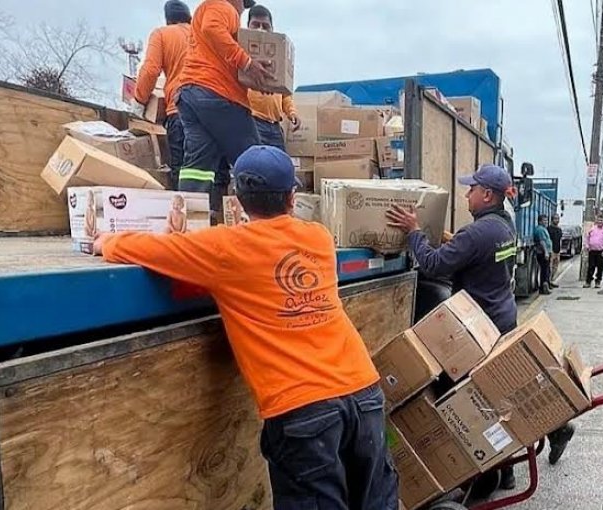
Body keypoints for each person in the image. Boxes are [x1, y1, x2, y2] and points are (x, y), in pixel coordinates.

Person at [92, 145, 398, 510]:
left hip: (303, 410)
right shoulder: (317, 237)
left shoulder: (224, 248)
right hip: (363, 393)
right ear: (292, 196)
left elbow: (146, 249)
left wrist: (104, 240)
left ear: (236, 195)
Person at [386, 163, 575, 492]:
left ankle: (481, 474)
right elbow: (474, 252)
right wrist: (451, 240)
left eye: (471, 189)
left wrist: (414, 232)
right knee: (499, 397)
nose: (466, 194)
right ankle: (511, 469)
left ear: (487, 194)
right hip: (501, 316)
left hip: (476, 327)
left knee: (470, 402)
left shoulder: (479, 232)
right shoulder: (504, 226)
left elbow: (433, 265)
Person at [176, 0, 274, 222]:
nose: (242, 11)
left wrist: (257, 80)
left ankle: (189, 223)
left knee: (197, 165)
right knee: (254, 158)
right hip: (218, 95)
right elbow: (212, 28)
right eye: (244, 6)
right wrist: (246, 62)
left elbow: (218, 59)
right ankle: (266, 223)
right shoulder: (224, 7)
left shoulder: (207, 8)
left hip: (191, 93)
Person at [132, 1, 192, 191]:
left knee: (182, 171)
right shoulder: (202, 36)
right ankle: (217, 212)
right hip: (213, 112)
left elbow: (150, 71)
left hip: (180, 110)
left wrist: (139, 101)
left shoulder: (162, 34)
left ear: (168, 20)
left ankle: (186, 217)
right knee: (211, 171)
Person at [245, 5, 301, 149]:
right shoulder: (241, 53)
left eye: (265, 26)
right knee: (258, 165)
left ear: (272, 29)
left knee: (279, 166)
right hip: (252, 121)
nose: (261, 30)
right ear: (247, 26)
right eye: (256, 25)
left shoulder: (278, 57)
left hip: (275, 126)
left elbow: (285, 93)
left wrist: (292, 113)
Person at [584, 214, 603, 288]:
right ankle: (588, 282)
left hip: (602, 252)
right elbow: (587, 237)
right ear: (596, 221)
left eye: (601, 220)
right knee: (591, 267)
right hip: (592, 251)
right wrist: (587, 246)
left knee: (600, 267)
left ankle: (598, 281)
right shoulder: (592, 228)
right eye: (598, 220)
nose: (600, 221)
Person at [533, 214, 553, 295]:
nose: (546, 222)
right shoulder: (540, 230)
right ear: (540, 221)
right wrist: (546, 252)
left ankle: (545, 286)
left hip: (544, 252)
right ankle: (543, 288)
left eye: (546, 220)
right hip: (542, 253)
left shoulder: (543, 229)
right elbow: (542, 242)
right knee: (544, 271)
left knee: (546, 270)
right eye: (544, 220)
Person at [546, 214, 563, 289]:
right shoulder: (549, 229)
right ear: (552, 220)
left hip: (557, 250)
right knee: (549, 267)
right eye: (555, 219)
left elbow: (560, 240)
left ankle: (551, 280)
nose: (557, 220)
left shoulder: (559, 229)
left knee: (555, 267)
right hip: (551, 251)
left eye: (558, 219)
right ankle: (548, 281)